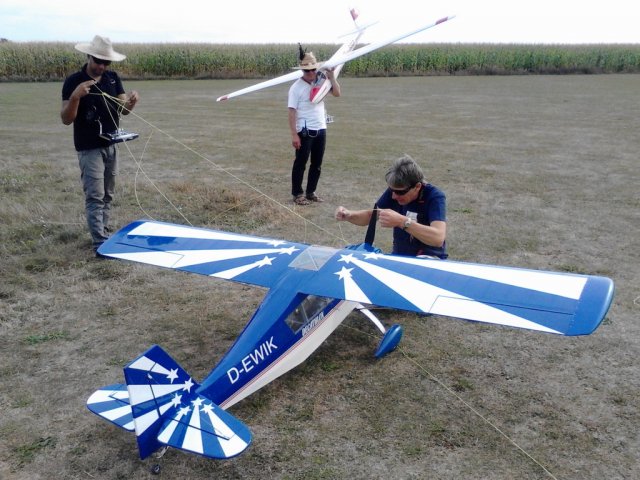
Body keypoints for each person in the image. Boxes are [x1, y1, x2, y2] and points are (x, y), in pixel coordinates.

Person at [60, 35, 139, 253]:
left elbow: (123, 109)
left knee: (108, 194)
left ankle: (103, 229)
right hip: (89, 147)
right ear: (88, 56)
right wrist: (76, 97)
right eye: (98, 61)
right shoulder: (73, 81)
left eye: (106, 62)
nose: (102, 66)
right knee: (95, 195)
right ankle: (99, 242)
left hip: (112, 143)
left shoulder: (112, 78)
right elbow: (66, 119)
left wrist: (132, 102)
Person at [335, 155, 447, 259]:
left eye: (400, 192)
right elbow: (373, 215)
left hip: (428, 261)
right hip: (399, 258)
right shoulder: (396, 191)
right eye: (391, 190)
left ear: (417, 186)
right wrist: (349, 215)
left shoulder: (434, 196)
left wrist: (402, 222)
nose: (393, 196)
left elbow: (438, 238)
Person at [288, 50, 341, 206]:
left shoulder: (321, 81)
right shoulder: (296, 88)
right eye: (307, 70)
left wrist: (332, 77)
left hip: (321, 128)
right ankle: (297, 194)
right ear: (302, 71)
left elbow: (337, 93)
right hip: (305, 131)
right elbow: (291, 112)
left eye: (313, 69)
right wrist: (294, 135)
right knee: (300, 163)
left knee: (317, 164)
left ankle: (311, 192)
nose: (311, 73)